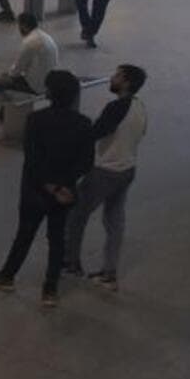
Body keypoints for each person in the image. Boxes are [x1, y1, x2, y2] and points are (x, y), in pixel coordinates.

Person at [0, 71, 93, 307]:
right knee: (57, 238)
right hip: (65, 193)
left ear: (50, 93)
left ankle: (7, 276)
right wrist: (64, 185)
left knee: (25, 234)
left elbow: (33, 159)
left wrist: (49, 186)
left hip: (35, 190)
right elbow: (85, 162)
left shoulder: (37, 120)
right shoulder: (83, 123)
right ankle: (50, 289)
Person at [66, 64, 148, 289]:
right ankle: (109, 272)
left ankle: (71, 262)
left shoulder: (115, 107)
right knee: (114, 221)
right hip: (128, 169)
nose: (112, 79)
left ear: (127, 82)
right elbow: (141, 132)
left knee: (77, 214)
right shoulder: (140, 106)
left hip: (106, 171)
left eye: (117, 76)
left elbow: (95, 133)